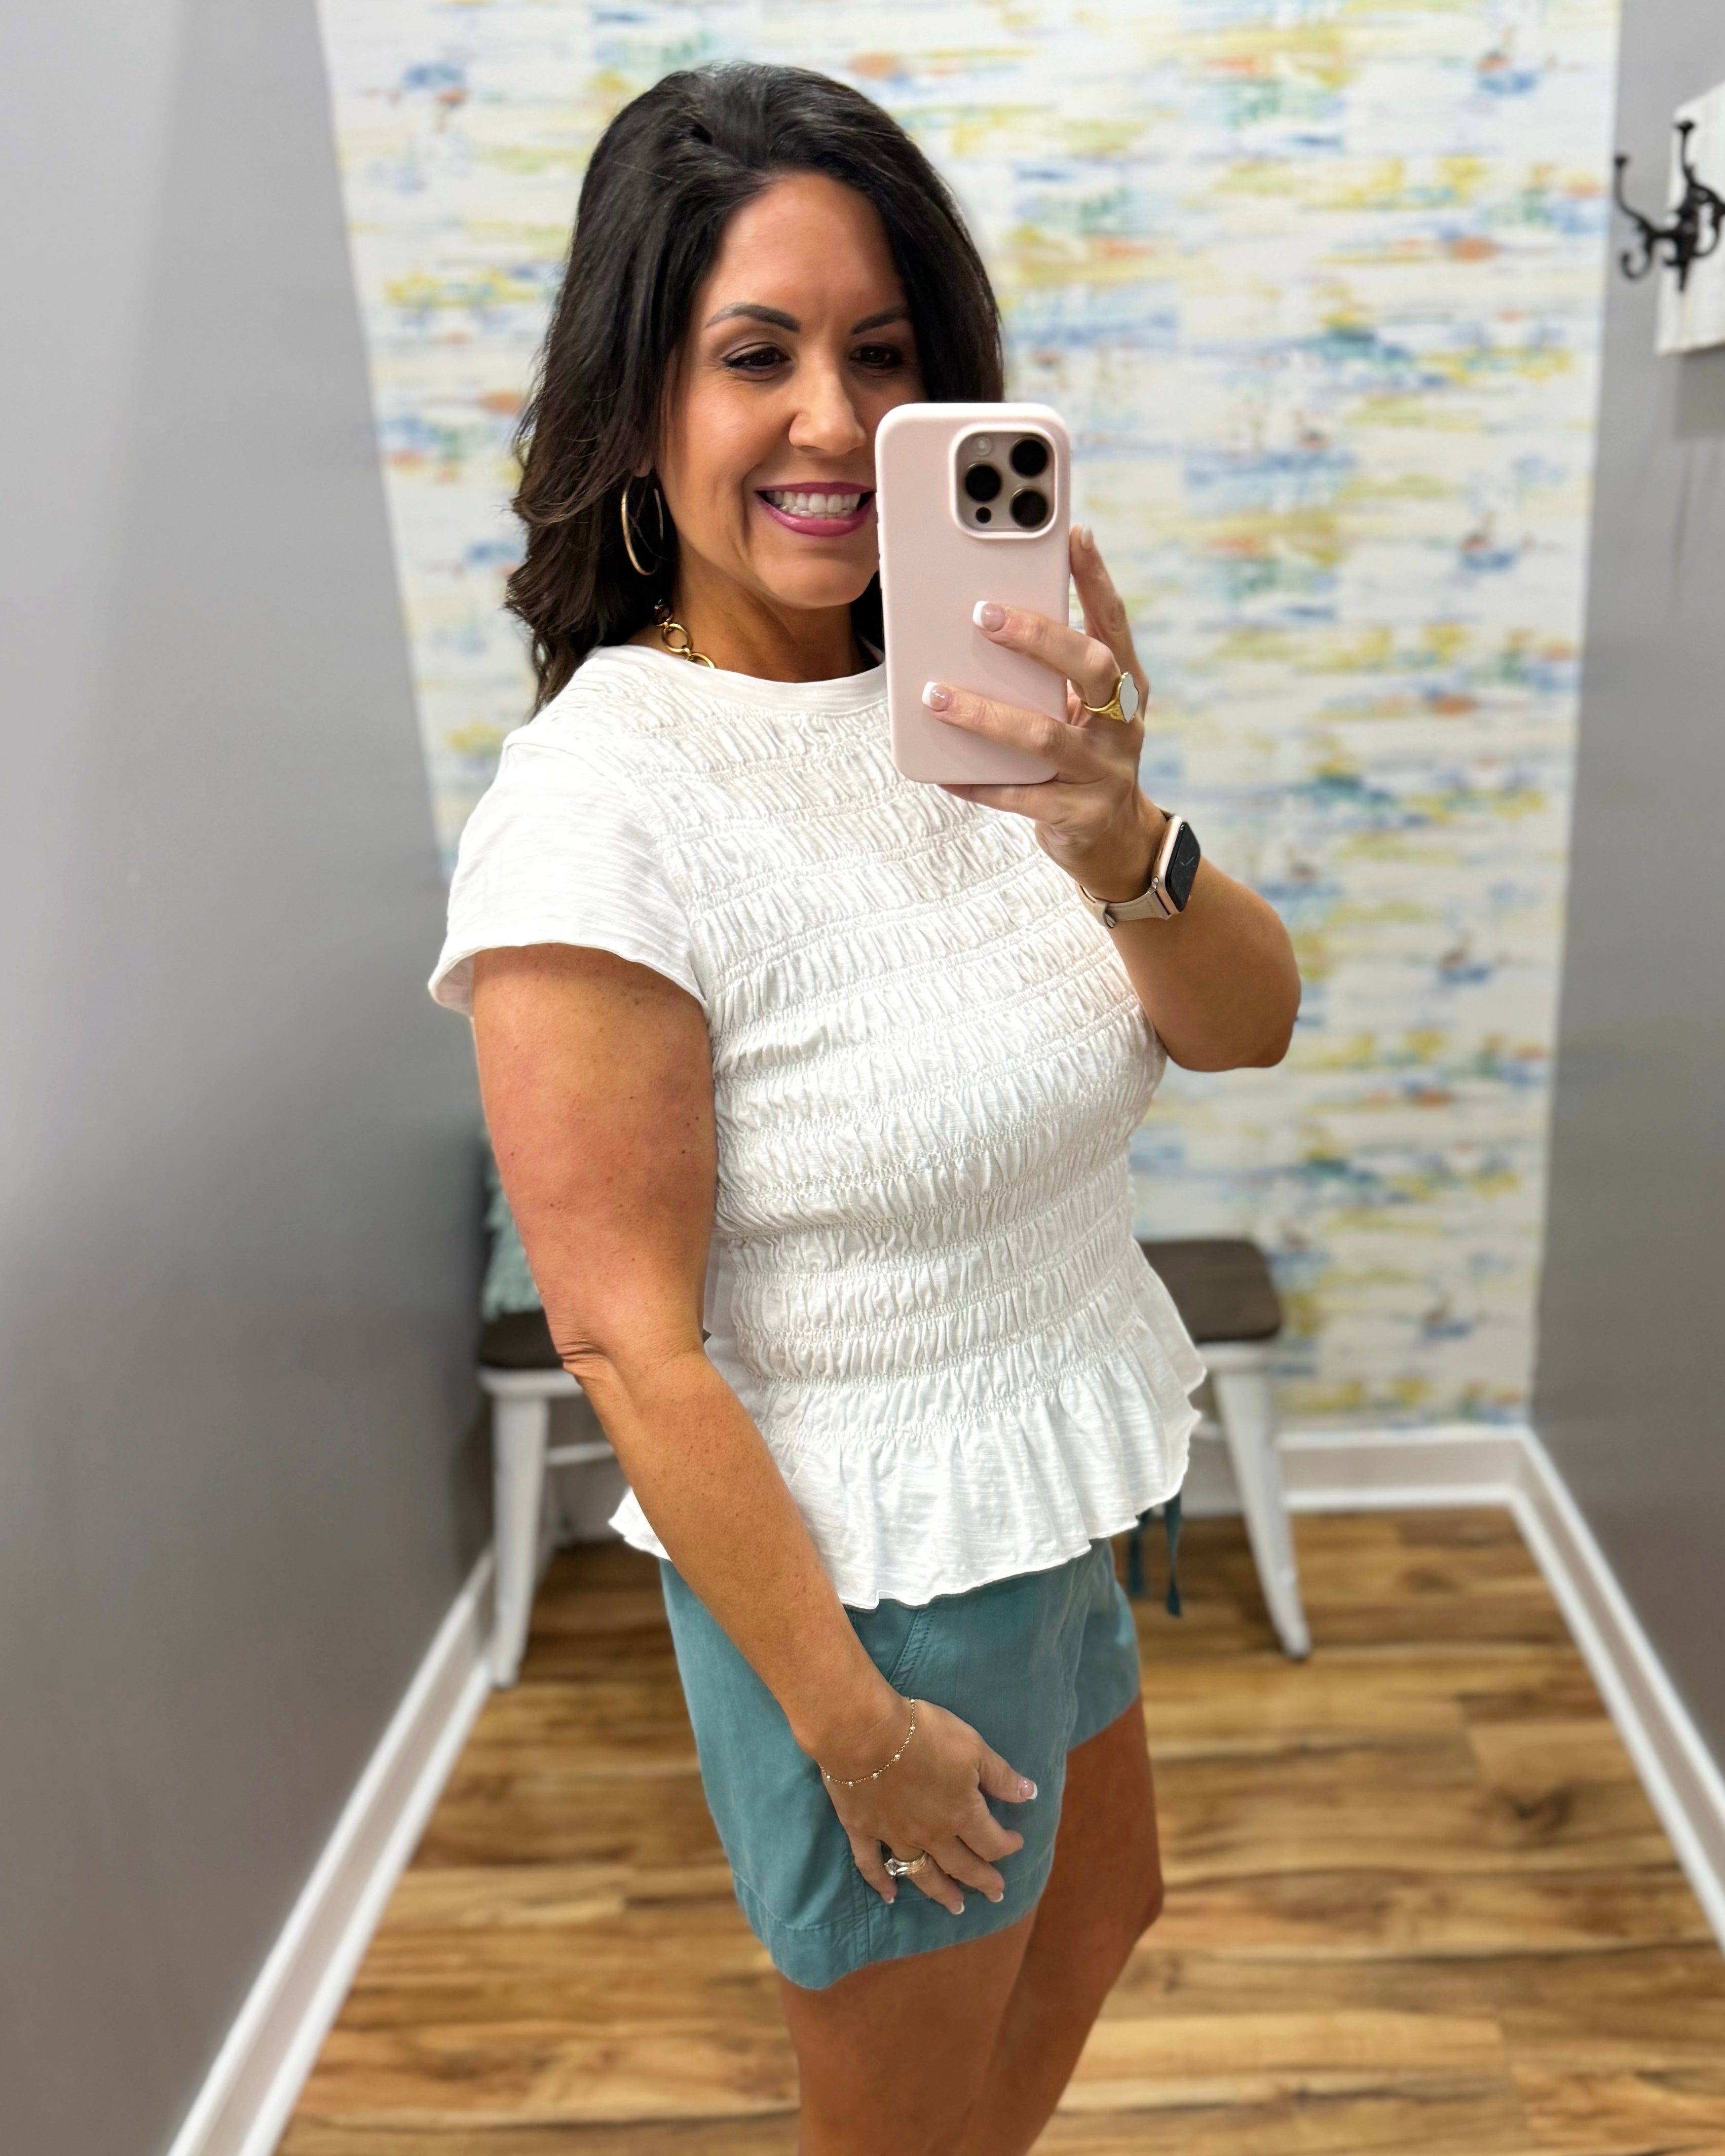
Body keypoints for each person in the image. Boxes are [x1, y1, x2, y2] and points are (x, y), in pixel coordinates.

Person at [431, 61, 1299, 2156]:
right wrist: (845, 1719)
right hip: (863, 1577)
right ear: (639, 404)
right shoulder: (602, 801)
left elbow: (1243, 1023)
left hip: (1042, 1487)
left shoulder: (979, 698)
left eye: (881, 355)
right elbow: (622, 1333)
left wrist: (1107, 818)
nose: (829, 419)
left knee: (1099, 1921)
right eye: (756, 356)